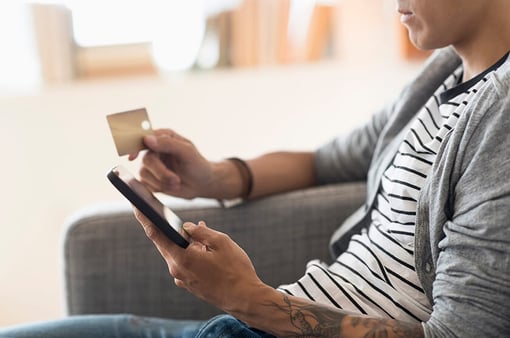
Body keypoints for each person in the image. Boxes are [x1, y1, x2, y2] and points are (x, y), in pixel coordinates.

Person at [1, 0, 509, 337]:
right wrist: (213, 176)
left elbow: (461, 334)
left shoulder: (502, 114)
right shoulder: (445, 72)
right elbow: (326, 160)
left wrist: (250, 300)